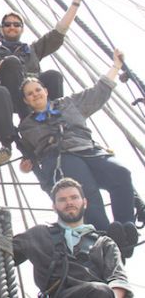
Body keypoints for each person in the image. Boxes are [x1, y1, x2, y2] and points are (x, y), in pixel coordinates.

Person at [18, 49, 135, 231]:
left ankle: (126, 229)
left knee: (121, 174)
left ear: (46, 91)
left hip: (88, 149)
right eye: (30, 94)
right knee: (86, 190)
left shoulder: (69, 103)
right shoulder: (26, 126)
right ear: (26, 101)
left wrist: (116, 66)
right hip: (59, 156)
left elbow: (98, 92)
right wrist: (25, 167)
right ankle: (104, 236)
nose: (35, 94)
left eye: (38, 90)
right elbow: (30, 155)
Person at [12, 178, 133, 297]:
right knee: (99, 290)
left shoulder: (104, 243)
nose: (69, 203)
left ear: (84, 203)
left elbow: (118, 280)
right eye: (62, 199)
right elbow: (0, 254)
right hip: (59, 294)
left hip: (97, 294)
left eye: (74, 197)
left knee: (100, 291)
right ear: (54, 207)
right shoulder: (38, 235)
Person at [0, 0, 84, 118]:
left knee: (54, 75)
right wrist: (4, 65)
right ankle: (26, 120)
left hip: (34, 92)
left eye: (16, 24)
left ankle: (56, 118)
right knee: (12, 62)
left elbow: (58, 33)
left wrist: (75, 4)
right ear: (2, 29)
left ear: (22, 29)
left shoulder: (32, 50)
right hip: (10, 96)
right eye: (7, 24)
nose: (12, 27)